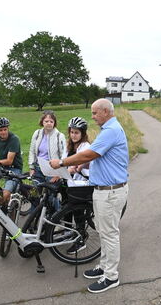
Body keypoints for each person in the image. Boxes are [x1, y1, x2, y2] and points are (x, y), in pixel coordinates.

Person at [50, 98, 129, 294]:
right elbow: (97, 158)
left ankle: (111, 276)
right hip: (104, 190)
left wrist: (62, 162)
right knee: (103, 232)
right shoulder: (108, 130)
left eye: (94, 113)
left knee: (109, 234)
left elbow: (89, 154)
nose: (92, 117)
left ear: (105, 111)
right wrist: (81, 165)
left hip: (110, 191)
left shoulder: (110, 131)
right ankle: (104, 266)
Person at [64, 117, 93, 255]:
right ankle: (70, 230)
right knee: (65, 206)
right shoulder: (69, 145)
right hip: (71, 182)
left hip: (83, 182)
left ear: (82, 133)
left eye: (76, 132)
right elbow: (64, 161)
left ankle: (81, 238)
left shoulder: (85, 146)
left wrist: (74, 168)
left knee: (77, 211)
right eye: (72, 132)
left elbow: (80, 163)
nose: (73, 135)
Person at [29, 110, 66, 210]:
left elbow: (64, 156)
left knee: (50, 196)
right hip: (38, 168)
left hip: (52, 169)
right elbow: (32, 151)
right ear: (42, 122)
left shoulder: (59, 136)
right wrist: (31, 167)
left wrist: (59, 174)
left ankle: (56, 216)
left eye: (51, 121)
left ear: (54, 123)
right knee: (35, 194)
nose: (49, 123)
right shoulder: (37, 134)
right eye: (46, 121)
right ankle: (33, 218)